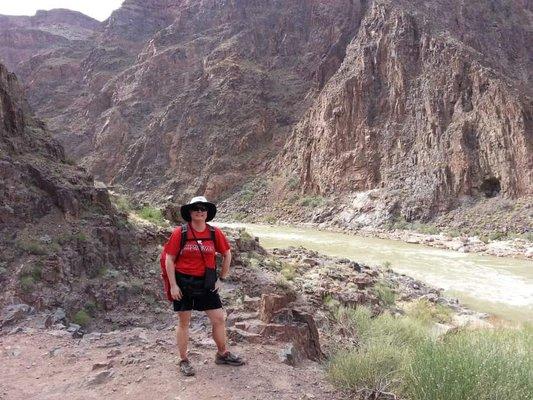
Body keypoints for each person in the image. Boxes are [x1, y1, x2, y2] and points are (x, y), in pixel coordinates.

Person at [164, 196, 244, 376]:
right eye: (196, 208)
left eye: (203, 208)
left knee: (219, 318)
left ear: (207, 213)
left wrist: (221, 279)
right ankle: (183, 360)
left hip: (206, 283)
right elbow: (169, 258)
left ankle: (222, 354)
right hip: (183, 282)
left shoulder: (215, 233)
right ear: (190, 212)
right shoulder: (180, 233)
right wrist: (173, 285)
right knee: (184, 322)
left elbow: (227, 254)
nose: (200, 211)